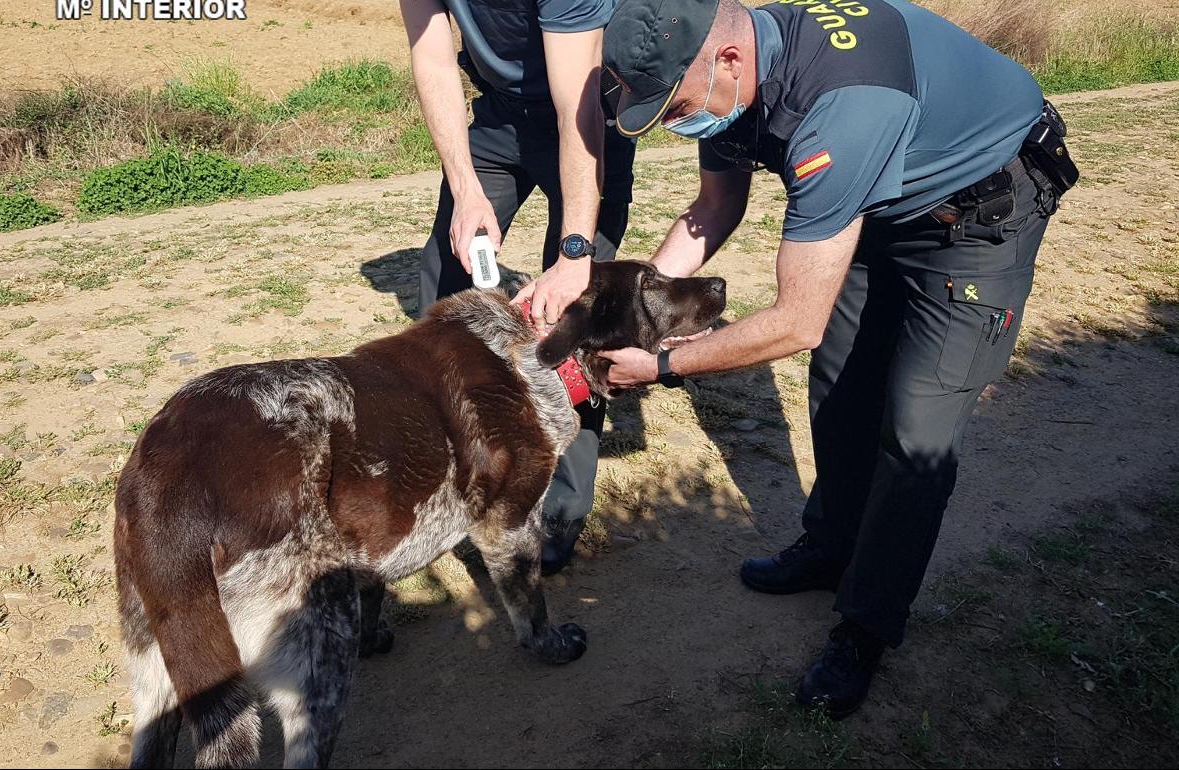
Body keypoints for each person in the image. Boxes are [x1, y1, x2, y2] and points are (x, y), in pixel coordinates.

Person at [595, 0, 1077, 718]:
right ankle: (830, 546)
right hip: (876, 197)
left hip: (980, 216)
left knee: (916, 435)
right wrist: (638, 318)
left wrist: (662, 368)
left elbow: (797, 322)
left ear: (727, 61)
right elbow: (711, 211)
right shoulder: (729, 78)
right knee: (842, 385)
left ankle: (865, 627)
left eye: (676, 108)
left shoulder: (839, 107)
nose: (675, 123)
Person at [400, 0, 637, 574]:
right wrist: (466, 188)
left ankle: (557, 508)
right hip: (498, 119)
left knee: (576, 324)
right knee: (445, 287)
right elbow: (432, 59)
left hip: (587, 120)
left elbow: (574, 106)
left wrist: (575, 251)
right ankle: (449, 463)